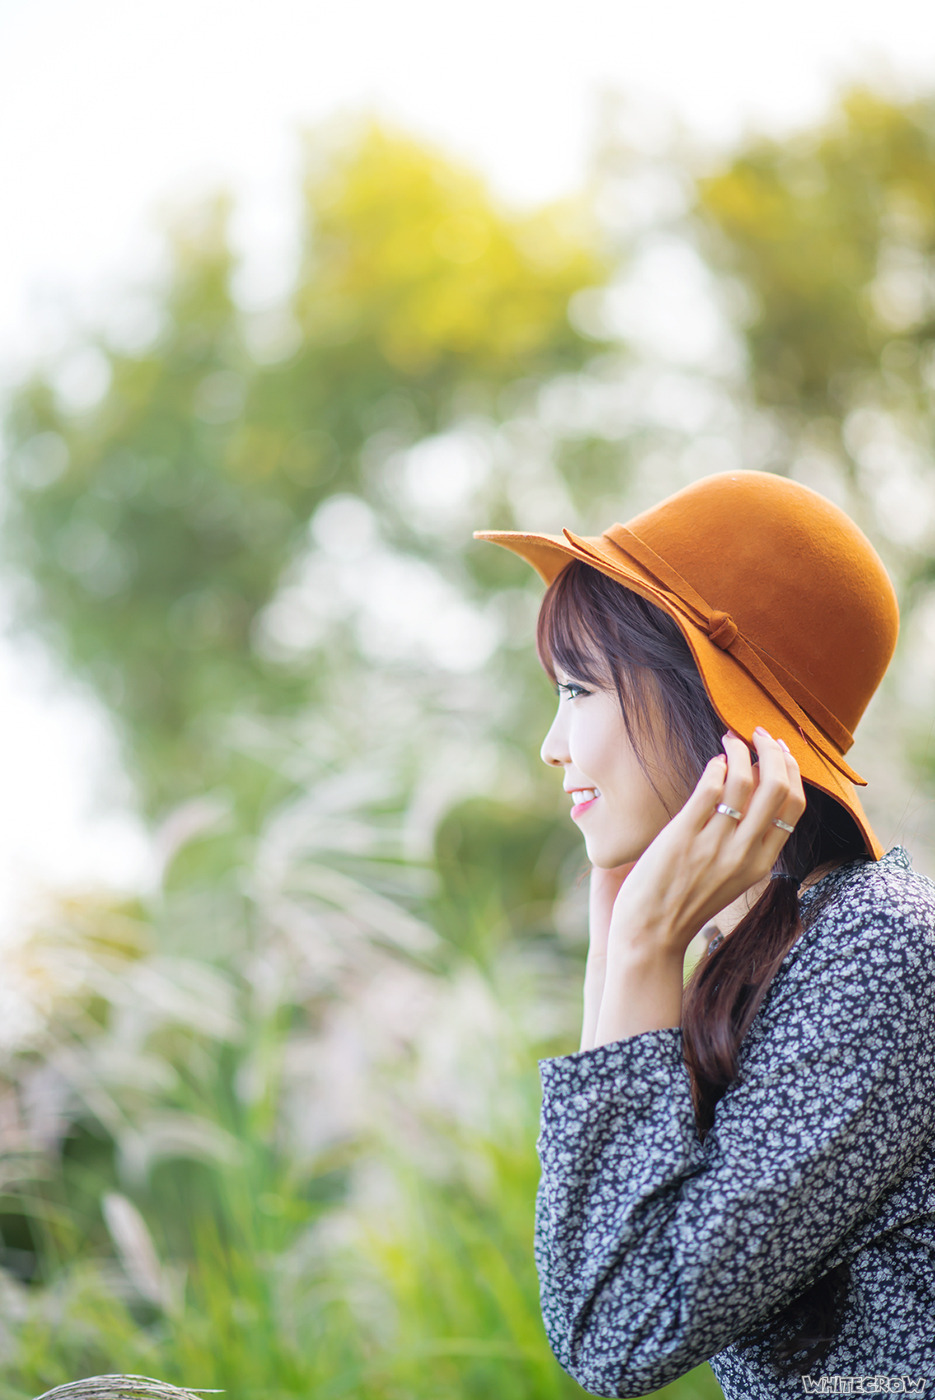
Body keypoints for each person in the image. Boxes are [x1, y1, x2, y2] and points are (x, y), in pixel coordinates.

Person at [473, 469, 935, 1397]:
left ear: (714, 710)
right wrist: (620, 950)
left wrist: (641, 947)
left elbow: (612, 1338)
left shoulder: (882, 957)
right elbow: (591, 1306)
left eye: (578, 689)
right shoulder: (768, 955)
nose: (550, 746)